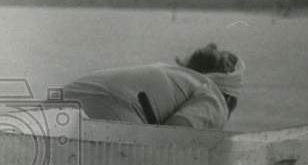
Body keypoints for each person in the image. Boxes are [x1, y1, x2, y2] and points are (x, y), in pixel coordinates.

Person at [61, 44, 245, 129]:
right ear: (230, 98)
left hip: (58, 103)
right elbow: (175, 135)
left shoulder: (169, 73)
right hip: (105, 115)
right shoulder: (214, 95)